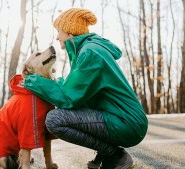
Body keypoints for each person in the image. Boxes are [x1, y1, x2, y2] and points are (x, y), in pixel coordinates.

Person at [24, 8, 148, 169]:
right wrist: (54, 82)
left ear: (69, 32)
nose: (57, 36)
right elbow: (76, 90)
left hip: (126, 122)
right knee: (78, 108)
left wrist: (33, 81)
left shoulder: (90, 53)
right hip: (122, 118)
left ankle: (115, 155)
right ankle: (107, 154)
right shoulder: (89, 49)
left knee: (55, 120)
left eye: (59, 31)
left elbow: (68, 98)